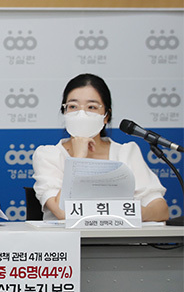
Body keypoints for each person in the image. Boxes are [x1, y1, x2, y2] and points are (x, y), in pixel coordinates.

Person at [32, 73, 169, 221]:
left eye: (91, 107)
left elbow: (161, 210)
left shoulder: (125, 153)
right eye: (73, 106)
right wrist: (78, 159)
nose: (81, 114)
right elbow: (62, 212)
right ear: (64, 112)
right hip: (68, 237)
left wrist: (127, 213)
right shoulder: (49, 155)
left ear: (106, 116)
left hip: (120, 236)